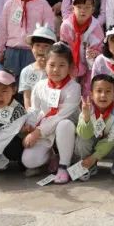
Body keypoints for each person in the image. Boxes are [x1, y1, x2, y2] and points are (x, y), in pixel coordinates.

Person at [21, 42, 82, 184]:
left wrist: (37, 132)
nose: (56, 69)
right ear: (45, 65)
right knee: (28, 160)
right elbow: (35, 110)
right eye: (52, 65)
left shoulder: (74, 87)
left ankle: (63, 165)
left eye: (62, 65)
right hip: (45, 131)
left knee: (64, 124)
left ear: (70, 67)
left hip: (67, 130)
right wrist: (29, 126)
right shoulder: (39, 86)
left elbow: (61, 115)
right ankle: (52, 156)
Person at [0, 0, 55, 78]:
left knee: (31, 82)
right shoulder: (9, 4)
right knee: (10, 82)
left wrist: (45, 52)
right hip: (12, 51)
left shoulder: (43, 4)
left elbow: (49, 30)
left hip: (33, 52)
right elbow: (3, 29)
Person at [75, 74, 114, 180]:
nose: (103, 95)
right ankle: (89, 166)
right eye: (99, 91)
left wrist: (94, 157)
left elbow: (111, 139)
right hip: (91, 147)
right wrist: (86, 118)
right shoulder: (87, 109)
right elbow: (84, 135)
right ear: (91, 94)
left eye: (108, 91)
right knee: (82, 139)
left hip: (109, 148)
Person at [59, 0, 105, 86]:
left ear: (92, 10)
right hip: (70, 64)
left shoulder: (96, 26)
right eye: (79, 7)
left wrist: (95, 53)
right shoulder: (66, 26)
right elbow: (64, 49)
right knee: (69, 87)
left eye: (87, 7)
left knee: (89, 88)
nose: (83, 11)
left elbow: (100, 47)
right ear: (73, 8)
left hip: (90, 66)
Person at [20, 25, 56, 110]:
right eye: (37, 45)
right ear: (31, 48)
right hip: (33, 113)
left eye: (46, 46)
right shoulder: (26, 71)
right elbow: (27, 97)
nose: (41, 49)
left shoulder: (56, 70)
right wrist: (31, 114)